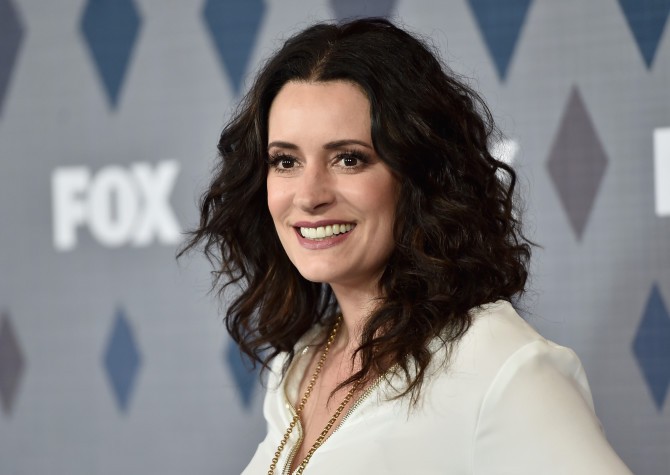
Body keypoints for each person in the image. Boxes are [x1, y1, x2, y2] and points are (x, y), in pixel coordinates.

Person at [182, 18, 631, 474]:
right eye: (286, 161)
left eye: (349, 159)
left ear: (419, 176)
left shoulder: (499, 364)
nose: (309, 194)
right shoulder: (296, 367)